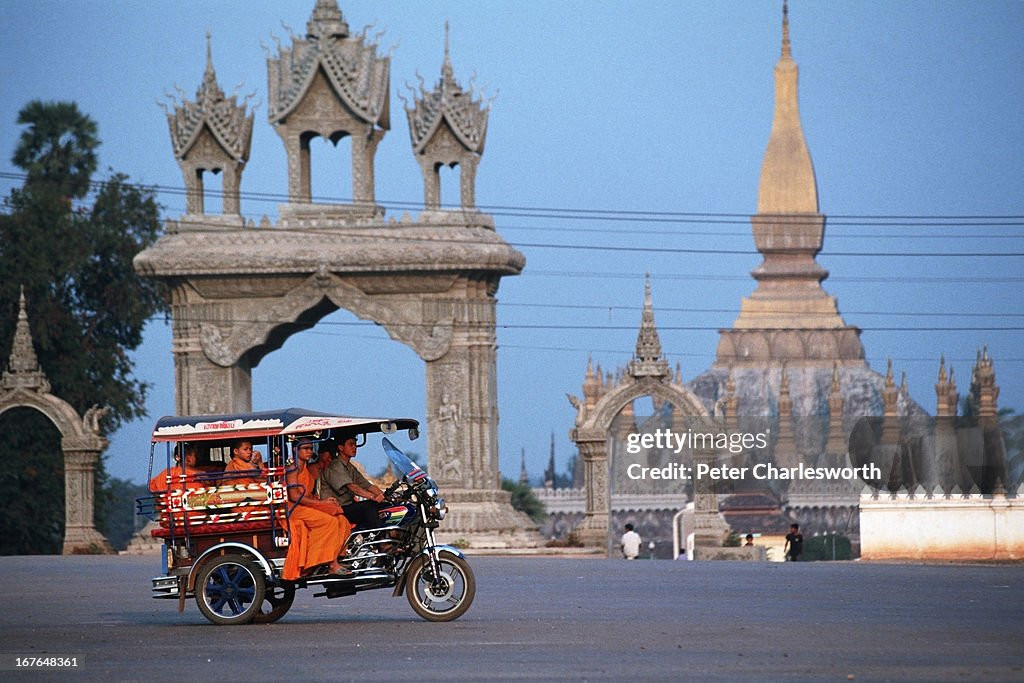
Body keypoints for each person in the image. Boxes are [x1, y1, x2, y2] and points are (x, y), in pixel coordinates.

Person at [282, 438, 353, 580]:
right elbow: (294, 496)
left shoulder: (306, 469)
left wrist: (324, 502)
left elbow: (308, 494)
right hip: (294, 509)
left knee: (341, 519)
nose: (309, 451)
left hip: (304, 506)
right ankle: (328, 563)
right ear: (295, 450)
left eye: (310, 448)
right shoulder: (292, 469)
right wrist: (321, 503)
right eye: (305, 448)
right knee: (329, 521)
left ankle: (336, 557)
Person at [319, 436, 387, 530]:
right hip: (337, 508)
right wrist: (373, 497)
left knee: (385, 506)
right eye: (351, 445)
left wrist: (384, 496)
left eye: (355, 444)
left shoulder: (350, 467)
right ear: (341, 447)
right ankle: (381, 535)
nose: (354, 447)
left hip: (348, 506)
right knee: (368, 506)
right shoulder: (335, 466)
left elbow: (367, 485)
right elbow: (352, 487)